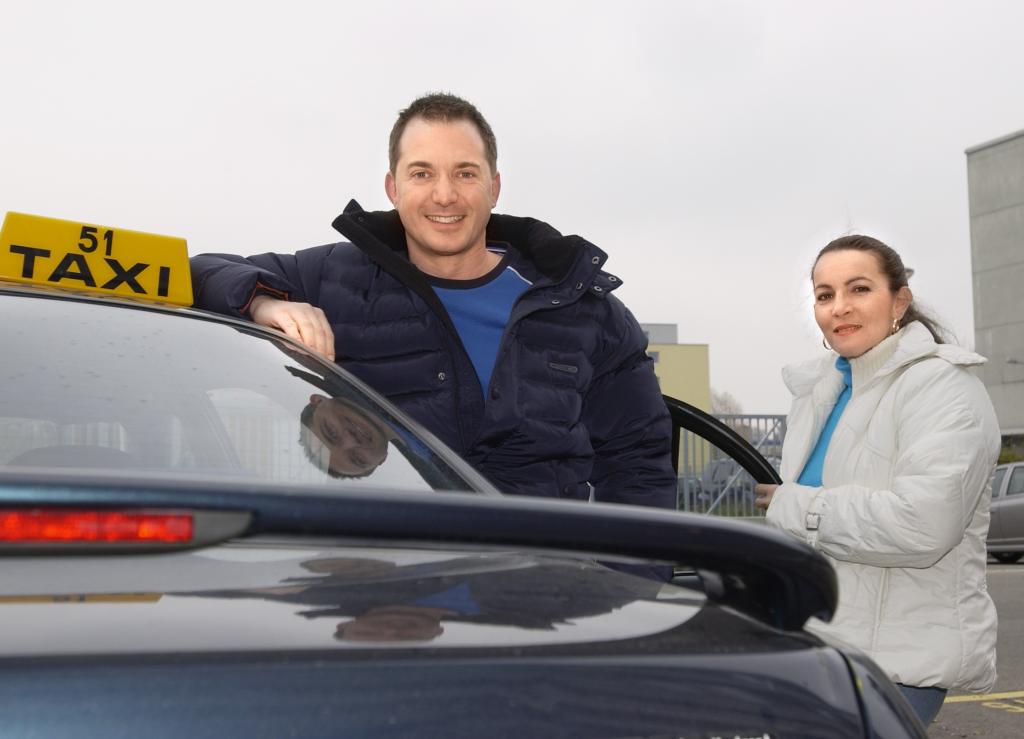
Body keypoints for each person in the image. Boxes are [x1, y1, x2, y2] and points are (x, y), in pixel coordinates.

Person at [190, 92, 676, 512]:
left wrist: (620, 582)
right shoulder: (331, 278)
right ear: (393, 187)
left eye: (465, 173)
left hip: (540, 579)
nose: (444, 195)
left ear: (494, 187)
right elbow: (197, 270)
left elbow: (639, 466)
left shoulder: (584, 309)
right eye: (422, 173)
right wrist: (264, 302)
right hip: (389, 578)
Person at [754, 235, 1000, 726]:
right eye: (824, 295)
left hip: (896, 665)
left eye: (859, 289)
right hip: (818, 649)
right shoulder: (819, 392)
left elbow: (923, 527)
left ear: (899, 302)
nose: (839, 307)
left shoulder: (942, 387)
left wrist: (793, 505)